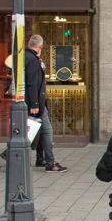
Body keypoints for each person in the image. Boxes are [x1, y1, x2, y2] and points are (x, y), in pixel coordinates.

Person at [23, 34, 65, 172]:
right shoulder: (33, 60)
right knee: (47, 131)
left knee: (38, 130)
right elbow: (32, 83)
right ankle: (49, 162)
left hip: (31, 101)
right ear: (40, 46)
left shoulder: (25, 57)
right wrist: (35, 104)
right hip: (36, 103)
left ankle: (41, 159)